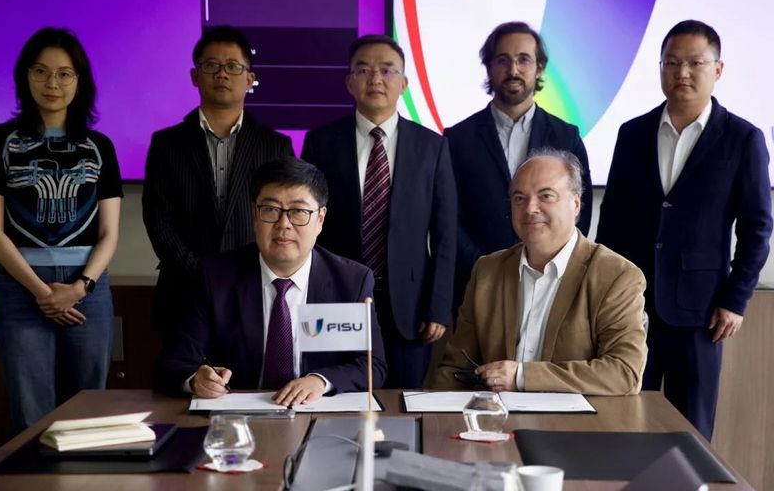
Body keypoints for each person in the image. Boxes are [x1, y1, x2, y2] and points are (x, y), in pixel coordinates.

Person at [596, 20, 772, 438]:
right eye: (672, 63)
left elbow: (757, 228)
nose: (682, 73)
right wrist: (601, 294)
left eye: (695, 63)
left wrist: (736, 299)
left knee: (690, 432)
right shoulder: (632, 133)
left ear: (718, 69)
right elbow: (612, 220)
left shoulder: (742, 138)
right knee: (621, 422)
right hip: (631, 307)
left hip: (702, 311)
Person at [0, 27, 122, 431]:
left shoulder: (100, 147)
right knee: (30, 412)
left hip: (86, 288)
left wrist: (80, 287)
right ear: (25, 76)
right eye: (40, 71)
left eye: (63, 73)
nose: (51, 83)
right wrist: (42, 292)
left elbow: (109, 234)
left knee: (89, 408)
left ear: (79, 80)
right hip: (20, 288)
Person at [154, 157, 387, 404]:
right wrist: (196, 379)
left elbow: (372, 365)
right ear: (255, 215)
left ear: (320, 219)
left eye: (298, 212)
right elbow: (175, 362)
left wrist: (320, 381)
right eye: (271, 210)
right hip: (238, 416)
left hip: (317, 413)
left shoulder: (351, 281)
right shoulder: (216, 277)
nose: (283, 224)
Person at [301, 35, 456, 388]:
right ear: (349, 81)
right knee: (337, 394)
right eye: (364, 70)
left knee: (404, 399)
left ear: (404, 83)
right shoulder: (321, 142)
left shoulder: (432, 146)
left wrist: (438, 305)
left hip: (410, 305)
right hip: (337, 298)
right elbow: (308, 223)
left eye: (387, 70)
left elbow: (445, 234)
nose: (376, 79)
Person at [432, 149, 646, 395]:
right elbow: (455, 369)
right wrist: (431, 413)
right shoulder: (487, 271)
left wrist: (522, 377)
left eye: (546, 196)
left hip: (580, 418)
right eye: (519, 198)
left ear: (576, 204)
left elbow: (625, 372)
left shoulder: (616, 275)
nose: (530, 208)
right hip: (496, 415)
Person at [143, 25, 293, 332]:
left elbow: (282, 216)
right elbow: (158, 218)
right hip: (183, 290)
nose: (222, 74)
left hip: (254, 288)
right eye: (211, 65)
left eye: (233, 67)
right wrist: (198, 272)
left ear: (249, 79)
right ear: (195, 76)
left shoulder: (275, 146)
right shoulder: (167, 144)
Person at [445, 22, 592, 311]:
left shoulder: (566, 136)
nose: (513, 69)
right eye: (503, 60)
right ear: (489, 68)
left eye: (524, 59)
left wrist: (550, 261)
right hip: (475, 284)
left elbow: (579, 209)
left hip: (552, 282)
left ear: (539, 68)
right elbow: (449, 216)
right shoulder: (457, 139)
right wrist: (485, 266)